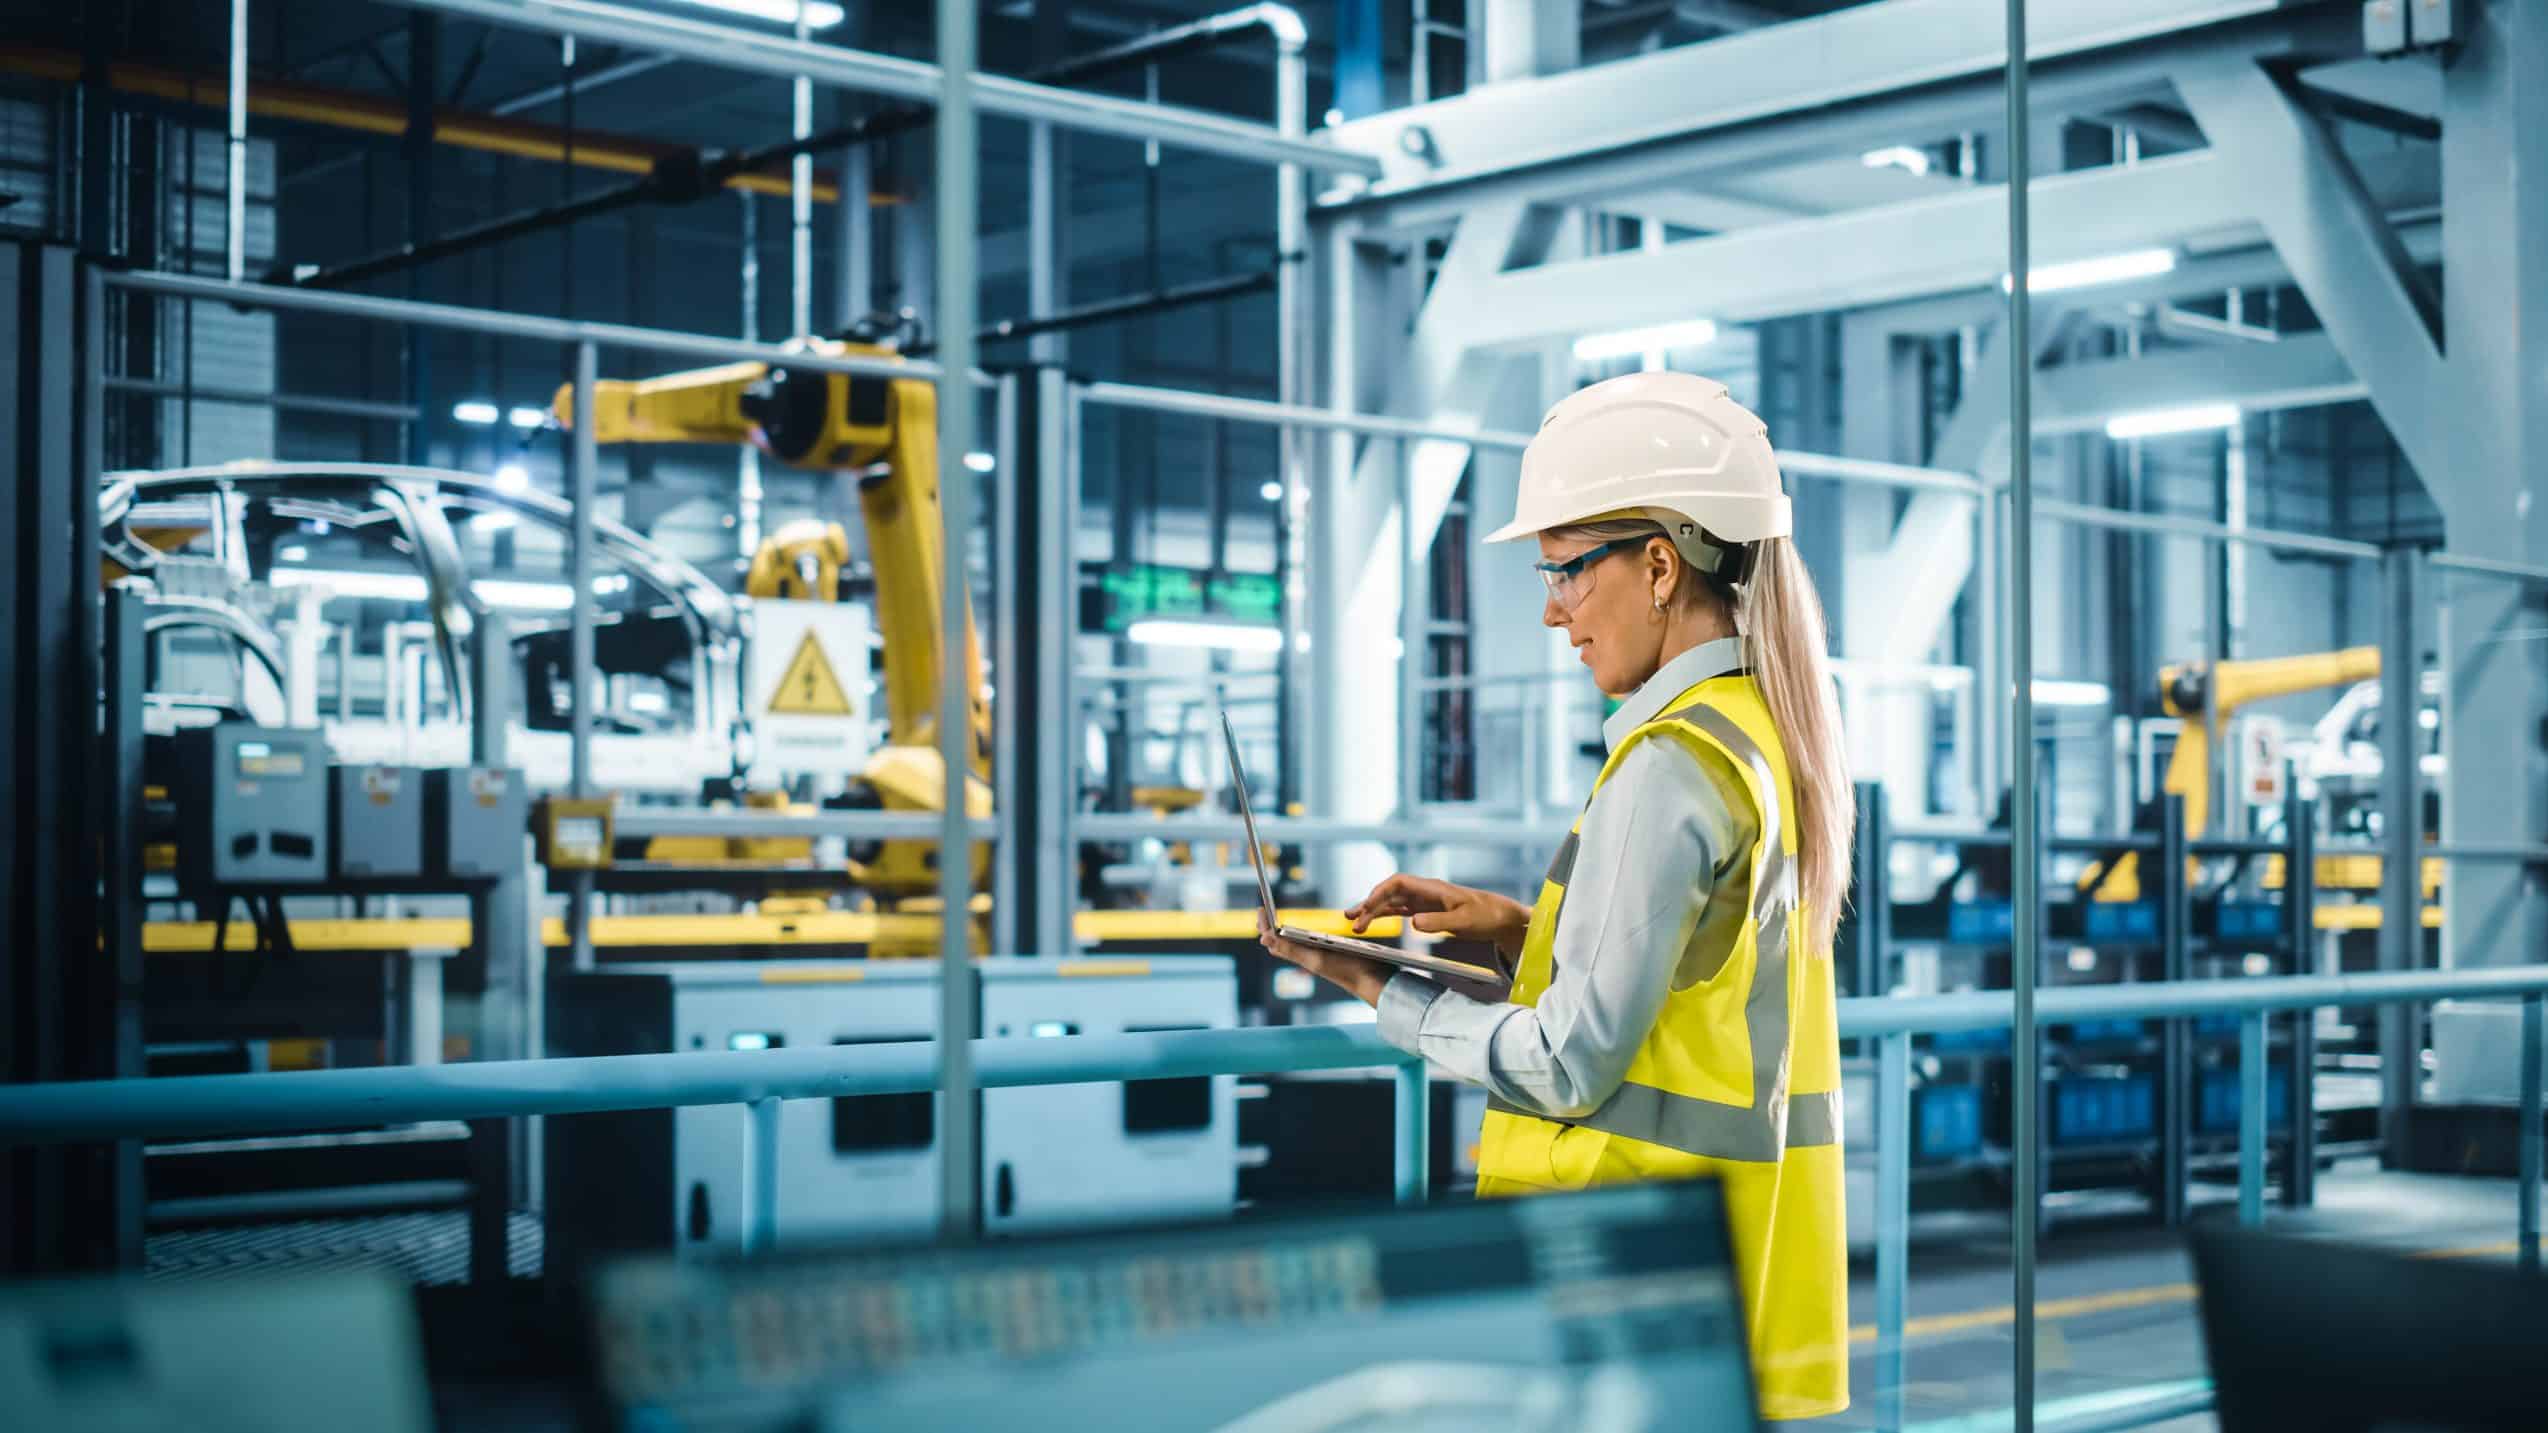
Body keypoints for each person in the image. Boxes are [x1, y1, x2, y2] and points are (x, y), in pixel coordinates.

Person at [1260, 371, 1853, 1420]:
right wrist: (1517, 929)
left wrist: (1384, 991)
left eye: (1566, 569)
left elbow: (1569, 1063)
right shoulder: (1760, 732)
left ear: (1660, 565)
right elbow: (1701, 972)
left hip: (1624, 1263)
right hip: (1731, 1252)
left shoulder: (1669, 763)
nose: (1551, 610)